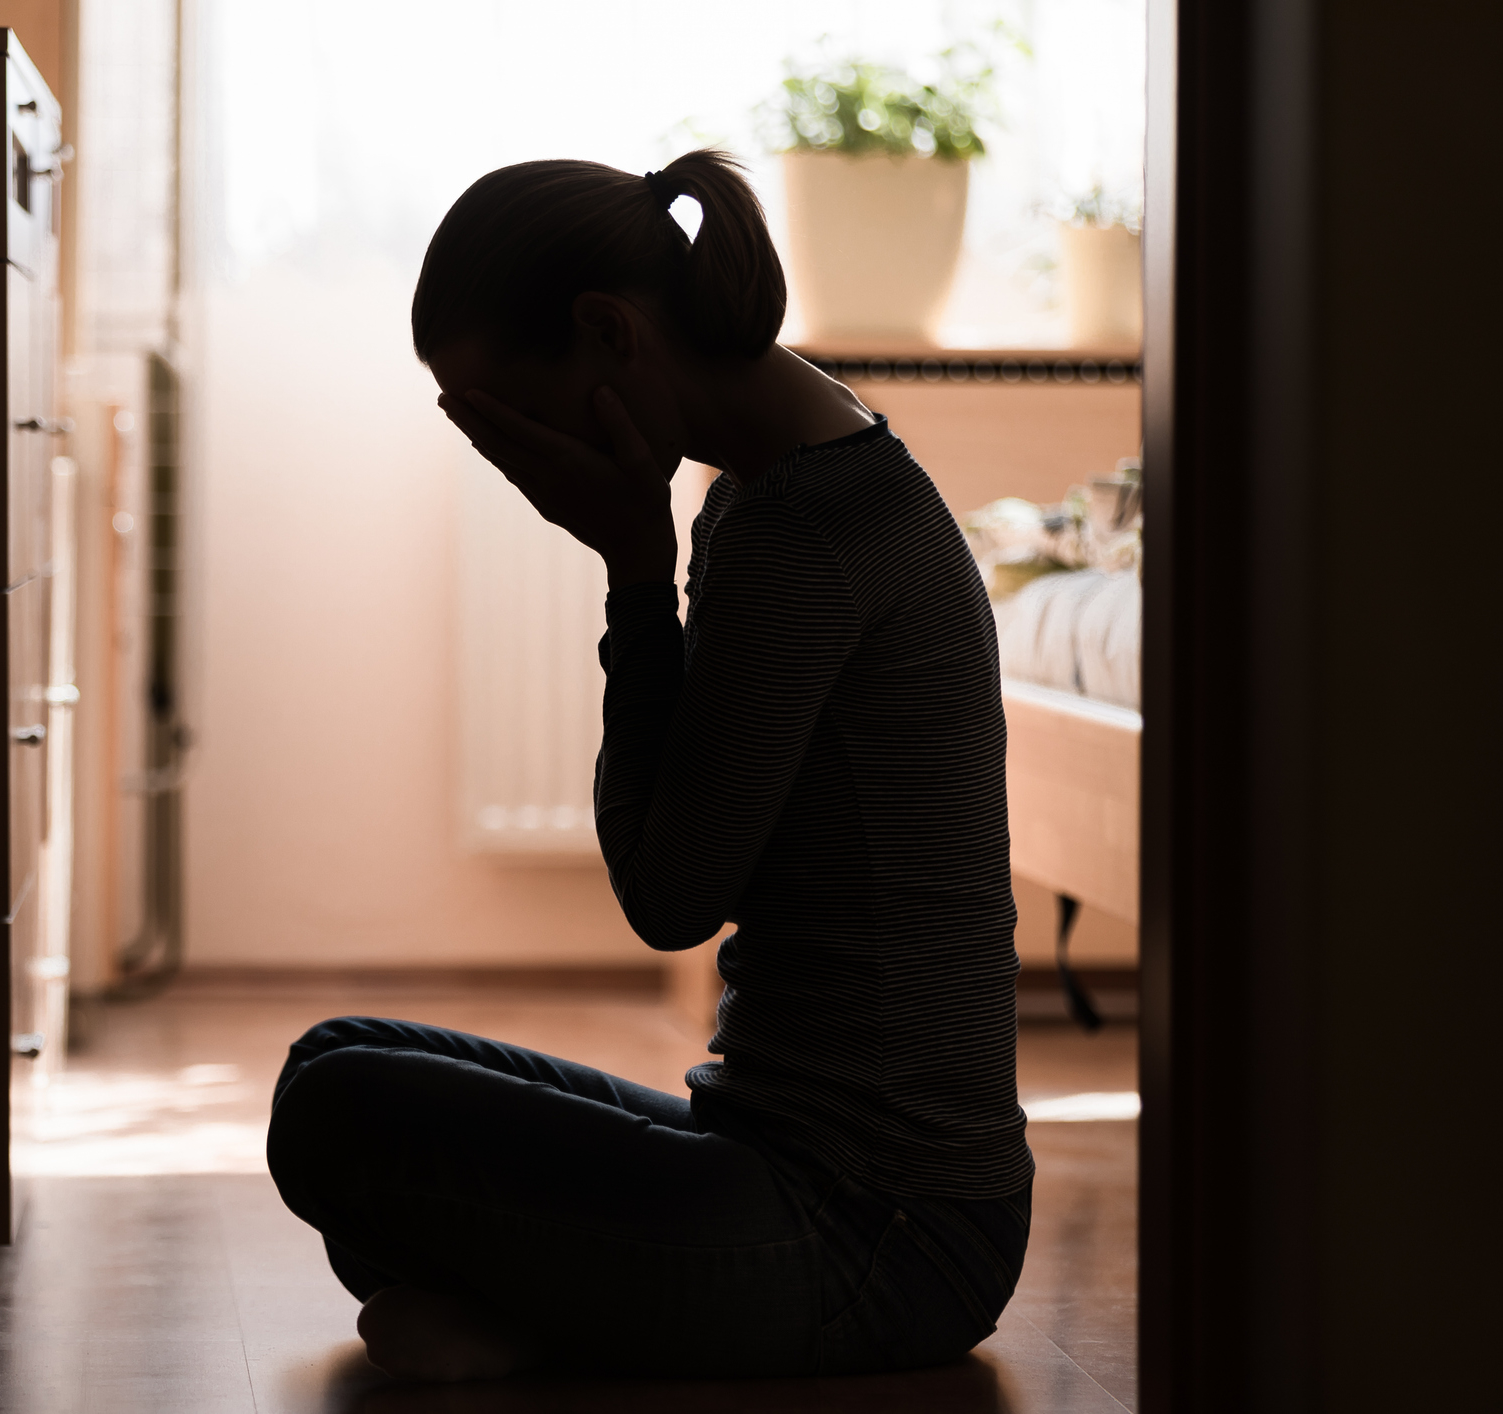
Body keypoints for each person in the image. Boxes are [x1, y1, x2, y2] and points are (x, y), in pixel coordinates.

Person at [266, 149, 1032, 1383]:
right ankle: (554, 1321)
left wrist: (632, 563)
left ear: (610, 333)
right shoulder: (796, 478)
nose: (522, 459)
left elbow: (668, 899)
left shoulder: (802, 534)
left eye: (522, 416)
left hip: (879, 1237)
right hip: (801, 1163)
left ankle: (543, 1331)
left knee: (335, 1115)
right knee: (334, 1055)